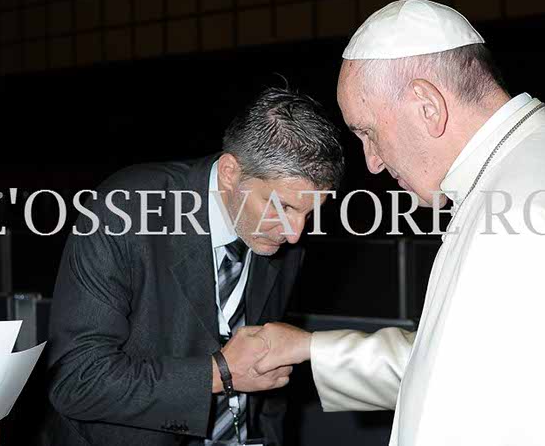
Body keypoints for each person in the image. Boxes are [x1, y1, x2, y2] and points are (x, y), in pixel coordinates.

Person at [252, 0, 545, 446]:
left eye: (368, 133)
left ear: (427, 105)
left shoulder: (518, 215)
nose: (372, 162)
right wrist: (309, 348)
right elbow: (470, 364)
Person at [39, 86, 345, 446]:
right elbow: (76, 380)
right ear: (231, 172)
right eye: (281, 206)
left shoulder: (283, 230)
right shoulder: (124, 211)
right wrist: (219, 373)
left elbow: (264, 386)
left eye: (311, 212)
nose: (296, 234)